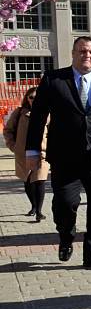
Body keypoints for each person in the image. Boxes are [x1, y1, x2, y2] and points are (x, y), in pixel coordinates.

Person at [25, 36, 91, 271]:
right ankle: (66, 235)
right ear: (73, 54)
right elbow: (38, 116)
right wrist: (31, 150)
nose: (87, 56)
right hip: (65, 157)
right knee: (64, 204)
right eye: (82, 51)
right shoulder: (54, 80)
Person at [3, 87, 49, 222]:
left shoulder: (48, 112)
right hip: (23, 153)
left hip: (42, 153)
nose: (34, 100)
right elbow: (8, 131)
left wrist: (50, 148)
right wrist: (14, 146)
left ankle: (39, 211)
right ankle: (33, 206)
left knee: (40, 181)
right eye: (31, 97)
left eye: (36, 97)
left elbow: (54, 132)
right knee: (28, 181)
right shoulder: (19, 113)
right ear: (27, 99)